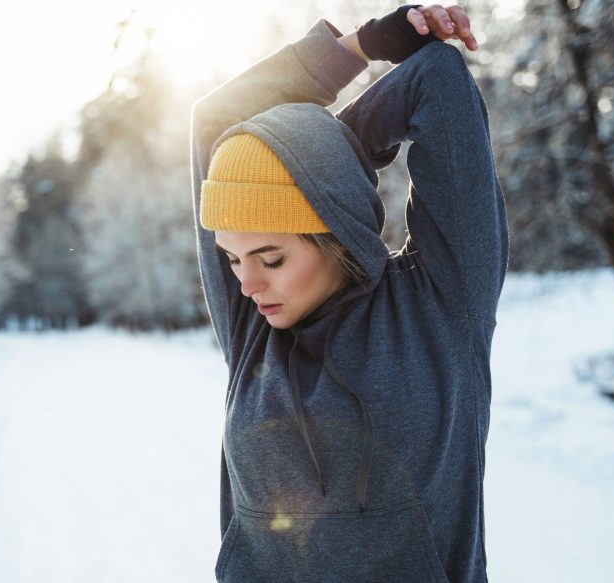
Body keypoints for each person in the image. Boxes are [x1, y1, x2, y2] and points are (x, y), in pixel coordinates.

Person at [190, 4, 509, 582]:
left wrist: (334, 154)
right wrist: (356, 47)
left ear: (335, 232)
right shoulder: (255, 334)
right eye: (231, 258)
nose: (245, 283)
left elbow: (438, 79)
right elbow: (216, 122)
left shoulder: (441, 306)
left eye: (272, 258)